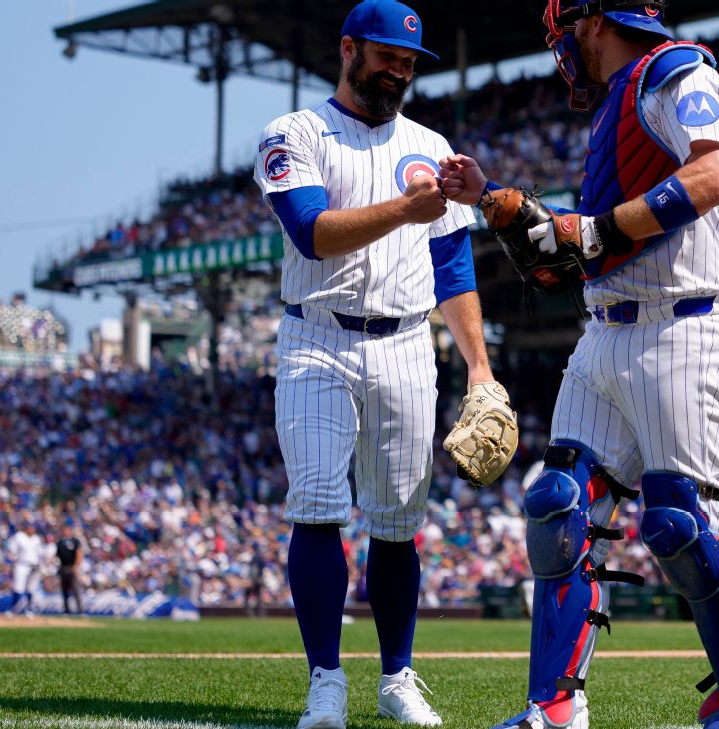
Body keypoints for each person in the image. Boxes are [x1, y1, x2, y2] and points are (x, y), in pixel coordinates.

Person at [439, 2, 719, 727]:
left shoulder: (676, 71)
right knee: (557, 504)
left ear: (596, 20)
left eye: (570, 29)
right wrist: (495, 200)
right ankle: (552, 707)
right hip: (604, 333)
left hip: (682, 330)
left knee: (681, 528)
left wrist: (595, 226)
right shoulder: (619, 105)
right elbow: (582, 240)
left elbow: (716, 174)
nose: (564, 46)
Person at [252, 1, 508, 727]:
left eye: (408, 61)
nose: (398, 69)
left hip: (405, 342)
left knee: (398, 518)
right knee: (318, 503)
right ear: (349, 49)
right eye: (386, 55)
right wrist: (405, 208)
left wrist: (480, 369)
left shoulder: (430, 143)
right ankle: (325, 679)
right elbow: (311, 234)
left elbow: (454, 269)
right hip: (317, 337)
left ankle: (397, 676)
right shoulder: (294, 133)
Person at [6, 521, 43, 617]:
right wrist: (12, 561)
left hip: (34, 565)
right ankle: (13, 609)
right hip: (21, 564)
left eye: (33, 528)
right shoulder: (19, 536)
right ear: (26, 528)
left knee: (31, 588)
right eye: (30, 527)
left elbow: (40, 553)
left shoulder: (36, 538)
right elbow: (10, 550)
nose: (32, 529)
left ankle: (29, 609)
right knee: (18, 587)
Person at [56, 523, 84, 616]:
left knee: (76, 590)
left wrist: (76, 566)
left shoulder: (75, 541)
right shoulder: (60, 542)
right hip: (63, 568)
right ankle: (66, 610)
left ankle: (80, 611)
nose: (65, 532)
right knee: (64, 590)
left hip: (72, 568)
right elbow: (57, 555)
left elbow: (79, 554)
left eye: (67, 530)